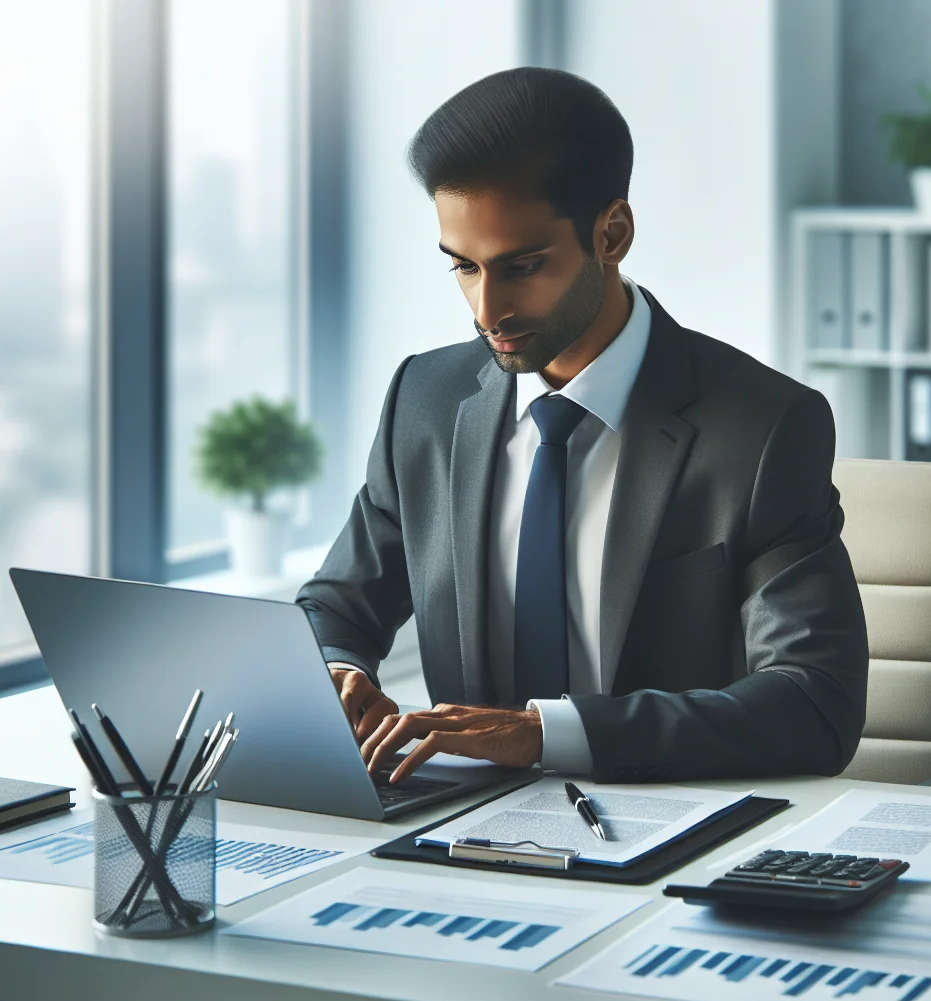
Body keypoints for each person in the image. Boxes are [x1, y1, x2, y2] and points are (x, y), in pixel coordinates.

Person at [296, 67, 867, 786]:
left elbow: (815, 704)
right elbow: (336, 606)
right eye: (464, 268)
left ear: (613, 233)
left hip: (667, 830)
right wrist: (339, 672)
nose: (486, 310)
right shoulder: (425, 400)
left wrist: (544, 736)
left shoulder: (763, 428)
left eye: (523, 266)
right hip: (452, 834)